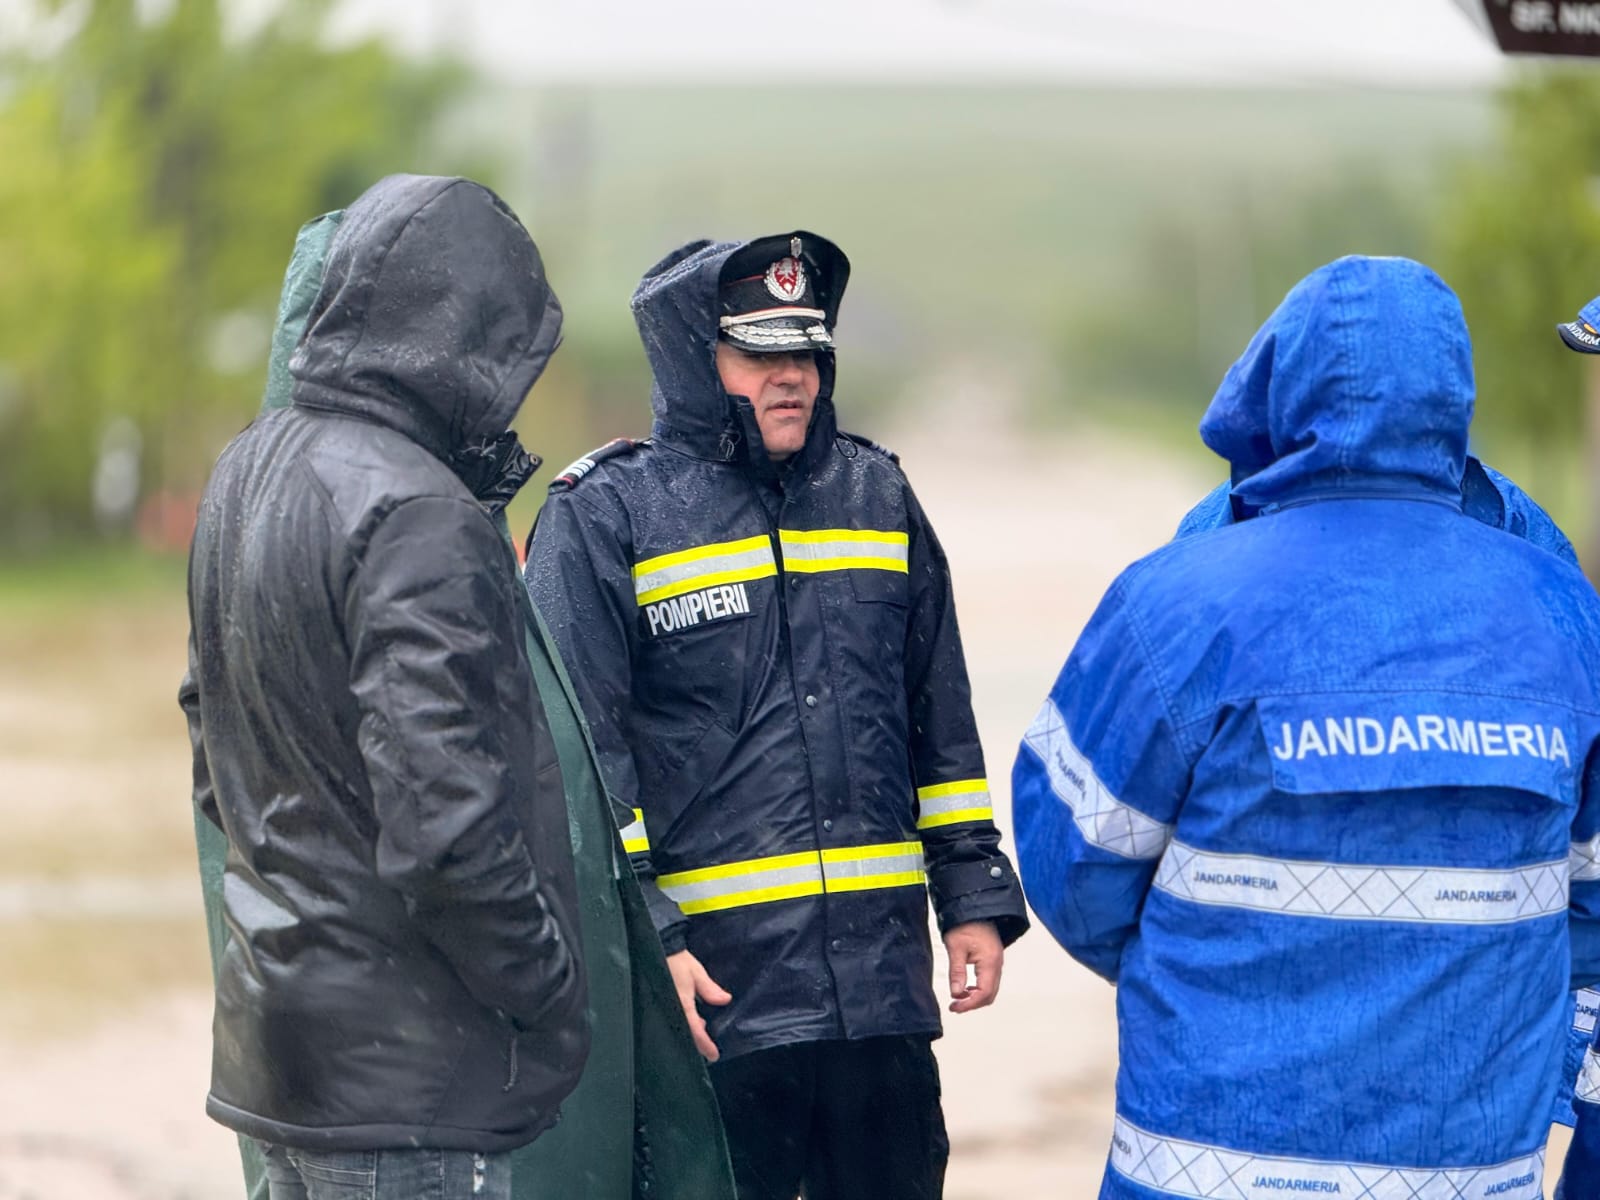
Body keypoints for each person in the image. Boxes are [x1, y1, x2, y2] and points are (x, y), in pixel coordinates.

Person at [1013, 255, 1600, 1200]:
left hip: (1206, 1167)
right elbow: (1589, 901)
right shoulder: (1562, 611)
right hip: (1465, 1169)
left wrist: (1218, 969)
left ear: (1278, 384)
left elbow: (1073, 866)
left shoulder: (1178, 601)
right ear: (1451, 398)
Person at [527, 231, 1030, 1200]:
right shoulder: (605, 515)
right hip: (717, 1008)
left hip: (879, 1004)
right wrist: (651, 945)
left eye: (804, 350)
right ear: (691, 360)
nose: (791, 375)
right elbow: (576, 759)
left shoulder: (878, 494)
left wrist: (970, 892)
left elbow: (937, 714)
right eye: (758, 354)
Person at [178, 174, 588, 1200]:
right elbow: (445, 823)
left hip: (282, 1049)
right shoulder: (419, 511)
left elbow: (210, 741)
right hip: (411, 1088)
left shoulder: (245, 471)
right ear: (468, 337)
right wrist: (546, 986)